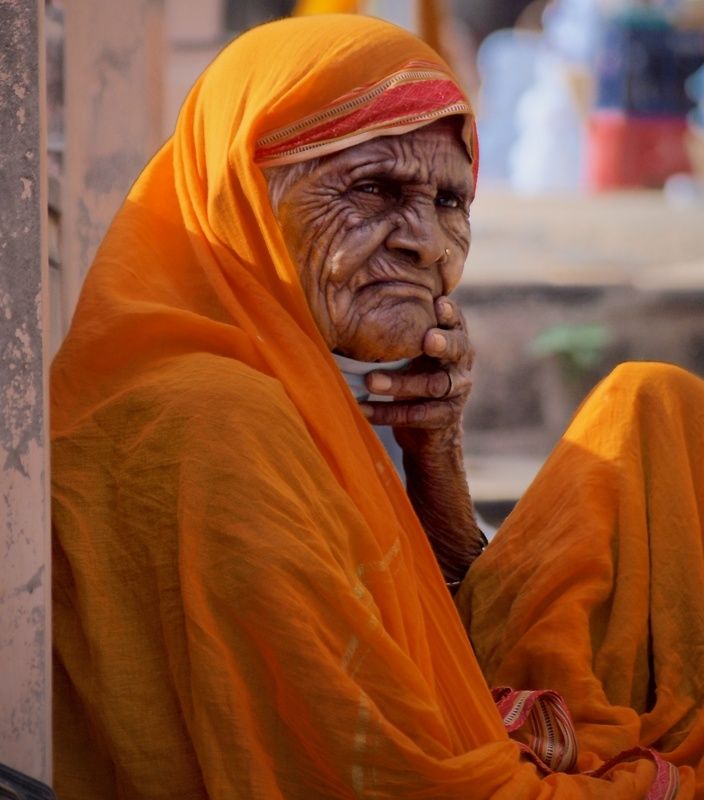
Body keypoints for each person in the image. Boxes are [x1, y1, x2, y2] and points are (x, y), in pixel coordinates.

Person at [50, 13, 704, 799]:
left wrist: (437, 465)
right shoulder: (215, 417)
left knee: (655, 409)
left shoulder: (284, 389)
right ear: (245, 196)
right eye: (373, 189)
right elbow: (392, 774)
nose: (427, 242)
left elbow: (432, 667)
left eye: (451, 202)